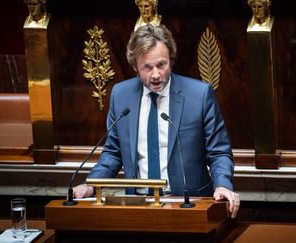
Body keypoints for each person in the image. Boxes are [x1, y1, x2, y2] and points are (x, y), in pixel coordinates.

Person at [73, 24, 240, 218]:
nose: (155, 74)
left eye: (162, 65)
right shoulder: (121, 95)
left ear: (171, 60)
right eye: (147, 67)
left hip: (189, 204)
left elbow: (219, 152)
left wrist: (222, 185)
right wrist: (91, 185)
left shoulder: (199, 95)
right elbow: (114, 152)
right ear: (134, 66)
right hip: (138, 206)